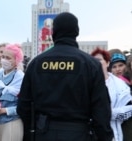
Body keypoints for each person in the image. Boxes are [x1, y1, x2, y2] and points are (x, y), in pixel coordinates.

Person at [17, 12, 113, 141]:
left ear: (53, 32)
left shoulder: (36, 63)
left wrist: (31, 133)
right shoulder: (91, 64)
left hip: (43, 133)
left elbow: (23, 106)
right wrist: (104, 137)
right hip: (79, 134)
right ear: (76, 31)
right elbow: (101, 109)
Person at [91, 48, 132, 141]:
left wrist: (107, 113)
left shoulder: (120, 85)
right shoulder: (88, 84)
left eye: (99, 60)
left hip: (116, 131)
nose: (95, 63)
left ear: (107, 63)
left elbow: (129, 107)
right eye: (93, 60)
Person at [0, 44, 24, 141]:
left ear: (16, 61)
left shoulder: (20, 78)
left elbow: (24, 106)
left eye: (8, 58)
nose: (4, 60)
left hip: (11, 123)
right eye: (3, 57)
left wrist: (4, 110)